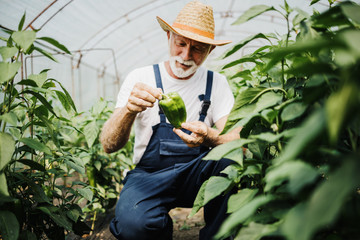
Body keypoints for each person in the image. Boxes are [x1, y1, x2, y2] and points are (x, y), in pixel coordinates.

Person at [100, 1, 241, 239]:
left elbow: (237, 139)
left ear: (210, 50)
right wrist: (128, 110)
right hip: (149, 176)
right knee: (134, 225)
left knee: (230, 159)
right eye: (181, 43)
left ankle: (218, 235)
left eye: (198, 48)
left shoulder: (217, 83)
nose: (186, 55)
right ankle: (156, 229)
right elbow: (108, 145)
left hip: (196, 173)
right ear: (169, 36)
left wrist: (210, 136)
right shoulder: (141, 77)